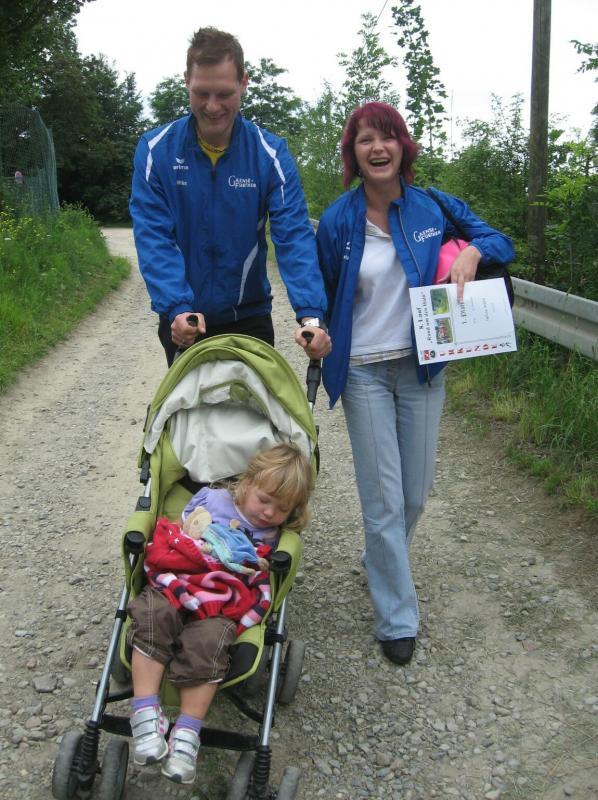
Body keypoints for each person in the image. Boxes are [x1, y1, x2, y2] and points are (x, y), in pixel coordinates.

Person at [316, 102, 514, 666]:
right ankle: (397, 617)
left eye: (386, 138)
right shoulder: (337, 220)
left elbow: (500, 240)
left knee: (415, 493)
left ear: (403, 146)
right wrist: (317, 331)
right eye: (364, 140)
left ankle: (381, 559)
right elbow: (320, 290)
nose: (377, 148)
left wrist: (472, 249)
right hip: (363, 370)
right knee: (383, 500)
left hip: (423, 366)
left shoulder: (433, 206)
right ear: (353, 154)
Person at [129, 26, 331, 365]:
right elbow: (153, 237)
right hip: (185, 318)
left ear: (243, 83)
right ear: (186, 82)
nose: (212, 106)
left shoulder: (270, 154)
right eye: (201, 93)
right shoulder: (155, 151)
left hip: (248, 318)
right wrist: (177, 306)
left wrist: (311, 316)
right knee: (191, 402)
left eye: (224, 93)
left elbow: (294, 235)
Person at [127, 442, 312, 784]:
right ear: (246, 483)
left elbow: (257, 571)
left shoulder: (274, 535)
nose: (269, 513)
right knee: (153, 615)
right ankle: (146, 715)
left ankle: (186, 734)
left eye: (282, 508)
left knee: (210, 642)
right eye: (264, 500)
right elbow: (180, 533)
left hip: (221, 599)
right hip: (178, 580)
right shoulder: (212, 499)